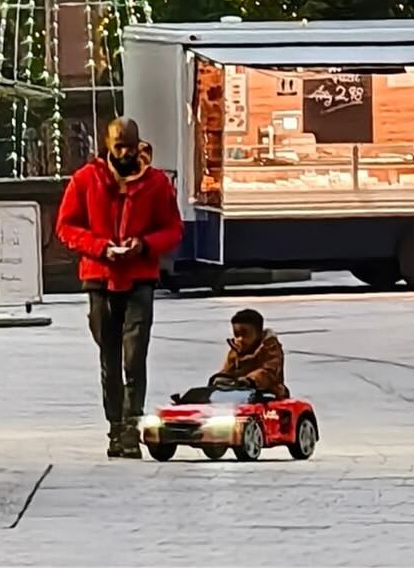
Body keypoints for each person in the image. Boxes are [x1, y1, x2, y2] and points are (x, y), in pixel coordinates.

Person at [56, 116, 184, 458]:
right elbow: (66, 226)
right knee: (108, 359)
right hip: (99, 278)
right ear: (107, 144)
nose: (125, 152)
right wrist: (100, 247)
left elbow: (173, 229)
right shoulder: (85, 180)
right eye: (119, 145)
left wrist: (143, 245)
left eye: (130, 145)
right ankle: (114, 428)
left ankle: (131, 427)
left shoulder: (156, 183)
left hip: (140, 278)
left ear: (139, 143)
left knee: (134, 357)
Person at [212, 308, 289, 400]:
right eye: (237, 334)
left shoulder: (270, 348)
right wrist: (221, 379)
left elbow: (269, 372)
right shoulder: (234, 352)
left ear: (259, 334)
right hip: (241, 396)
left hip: (269, 395)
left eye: (245, 334)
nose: (240, 339)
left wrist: (251, 380)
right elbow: (227, 370)